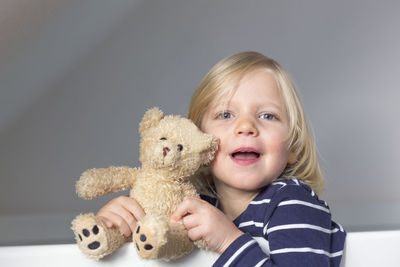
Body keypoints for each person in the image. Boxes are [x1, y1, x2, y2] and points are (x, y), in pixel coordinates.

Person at [97, 51, 346, 266]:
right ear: (199, 145)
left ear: (294, 147)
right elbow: (156, 242)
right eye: (226, 115)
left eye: (268, 116)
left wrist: (228, 241)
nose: (246, 126)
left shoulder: (293, 204)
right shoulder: (197, 205)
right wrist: (120, 225)